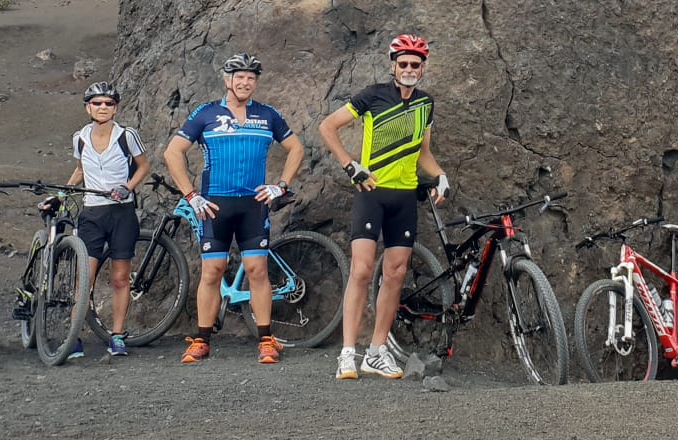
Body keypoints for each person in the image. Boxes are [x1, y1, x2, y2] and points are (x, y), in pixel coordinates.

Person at [317, 34, 449, 380]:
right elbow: (328, 127)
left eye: (415, 65)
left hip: (405, 196)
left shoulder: (425, 104)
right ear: (393, 65)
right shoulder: (372, 95)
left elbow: (424, 153)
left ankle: (376, 352)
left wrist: (441, 176)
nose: (409, 69)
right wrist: (351, 165)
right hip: (371, 192)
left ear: (422, 69)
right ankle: (348, 352)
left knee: (396, 273)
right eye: (403, 64)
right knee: (361, 271)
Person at [165, 53, 304, 365]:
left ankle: (266, 340)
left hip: (253, 206)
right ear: (227, 80)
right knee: (212, 271)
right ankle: (202, 340)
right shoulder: (206, 114)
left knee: (257, 270)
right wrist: (190, 195)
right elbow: (172, 152)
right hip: (215, 205)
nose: (245, 82)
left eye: (251, 77)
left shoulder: (268, 115)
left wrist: (280, 185)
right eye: (239, 76)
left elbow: (296, 148)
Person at [64, 81, 149, 359]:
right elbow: (80, 168)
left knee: (120, 277)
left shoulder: (127, 135)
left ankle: (117, 336)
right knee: (84, 279)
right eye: (97, 103)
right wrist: (63, 192)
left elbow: (144, 166)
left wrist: (128, 186)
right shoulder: (79, 137)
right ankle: (73, 337)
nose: (103, 108)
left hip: (122, 212)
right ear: (88, 107)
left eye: (108, 103)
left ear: (116, 108)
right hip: (92, 212)